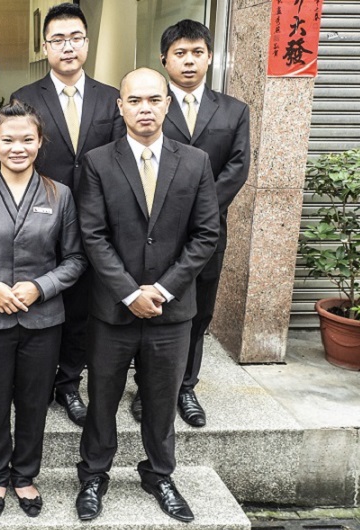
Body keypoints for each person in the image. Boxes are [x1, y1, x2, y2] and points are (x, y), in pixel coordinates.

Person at [74, 68, 219, 523]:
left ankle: (159, 475)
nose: (145, 109)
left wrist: (162, 289)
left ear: (168, 104)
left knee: (160, 401)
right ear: (120, 106)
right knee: (102, 399)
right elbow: (92, 235)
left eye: (154, 100)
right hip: (112, 312)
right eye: (134, 100)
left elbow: (206, 234)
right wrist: (127, 292)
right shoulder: (98, 162)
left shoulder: (195, 161)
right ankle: (93, 475)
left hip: (170, 312)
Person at [0, 101, 86, 518]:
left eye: (27, 139)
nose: (18, 147)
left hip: (42, 320)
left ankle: (25, 474)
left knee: (33, 402)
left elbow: (75, 259)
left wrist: (40, 287)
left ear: (40, 142)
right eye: (8, 139)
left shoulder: (59, 194)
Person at [131, 19, 251, 427]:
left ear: (210, 57)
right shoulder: (147, 106)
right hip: (151, 235)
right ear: (164, 59)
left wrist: (198, 212)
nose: (188, 61)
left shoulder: (234, 111)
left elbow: (236, 168)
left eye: (197, 52)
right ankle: (146, 387)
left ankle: (185, 386)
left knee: (197, 313)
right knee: (149, 309)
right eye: (179, 53)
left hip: (206, 235)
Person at [10, 3, 125, 427]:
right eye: (58, 39)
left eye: (75, 38)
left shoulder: (111, 98)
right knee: (40, 302)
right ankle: (36, 383)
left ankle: (69, 383)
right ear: (45, 47)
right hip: (41, 216)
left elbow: (119, 160)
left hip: (95, 220)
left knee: (80, 306)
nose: (68, 47)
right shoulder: (25, 97)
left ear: (87, 43)